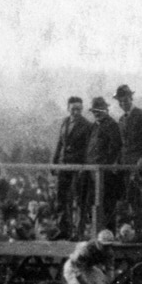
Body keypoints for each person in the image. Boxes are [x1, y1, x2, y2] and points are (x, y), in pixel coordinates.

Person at [115, 85, 142, 235]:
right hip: (126, 164)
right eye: (120, 101)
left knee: (135, 195)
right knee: (125, 196)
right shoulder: (121, 119)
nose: (123, 103)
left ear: (131, 99)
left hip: (139, 163)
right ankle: (127, 230)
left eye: (125, 100)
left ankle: (140, 230)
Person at [51, 95, 92, 238]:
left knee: (79, 199)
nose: (76, 112)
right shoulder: (65, 122)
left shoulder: (87, 126)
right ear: (68, 108)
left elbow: (88, 149)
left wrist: (83, 168)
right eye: (74, 109)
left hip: (78, 167)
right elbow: (60, 143)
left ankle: (78, 232)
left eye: (79, 109)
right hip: (64, 165)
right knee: (61, 198)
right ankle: (63, 230)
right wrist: (54, 162)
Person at [85, 97, 123, 235]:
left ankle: (108, 235)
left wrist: (105, 166)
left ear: (106, 110)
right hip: (92, 172)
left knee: (107, 205)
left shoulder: (112, 125)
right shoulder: (94, 126)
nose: (97, 113)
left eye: (100, 110)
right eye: (94, 111)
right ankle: (96, 234)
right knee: (93, 204)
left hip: (105, 174)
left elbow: (115, 148)